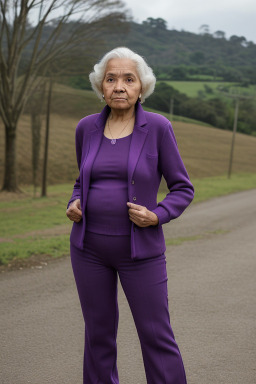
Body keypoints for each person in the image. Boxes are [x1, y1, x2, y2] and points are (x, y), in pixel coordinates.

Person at [66, 46, 194, 384]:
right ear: (101, 86)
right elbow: (82, 180)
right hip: (88, 250)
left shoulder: (157, 127)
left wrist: (157, 215)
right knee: (98, 335)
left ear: (141, 87)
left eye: (128, 79)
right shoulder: (86, 129)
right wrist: (75, 201)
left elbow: (183, 188)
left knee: (156, 336)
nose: (119, 86)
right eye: (111, 79)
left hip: (141, 253)